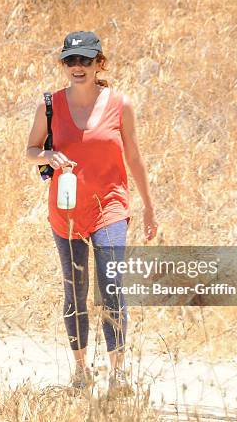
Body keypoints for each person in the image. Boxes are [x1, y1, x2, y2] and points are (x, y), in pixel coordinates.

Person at [26, 31, 158, 396]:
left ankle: (118, 373)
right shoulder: (49, 105)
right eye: (70, 60)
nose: (77, 67)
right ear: (63, 64)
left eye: (85, 60)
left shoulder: (120, 104)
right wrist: (47, 156)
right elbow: (31, 149)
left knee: (111, 285)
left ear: (101, 62)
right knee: (75, 290)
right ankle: (81, 370)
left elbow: (133, 156)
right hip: (66, 208)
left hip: (111, 207)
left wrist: (147, 206)